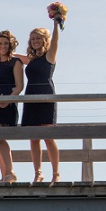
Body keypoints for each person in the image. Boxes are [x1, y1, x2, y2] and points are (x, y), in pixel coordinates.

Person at [20, 23, 62, 183]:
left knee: (48, 136)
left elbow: (56, 41)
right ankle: (38, 172)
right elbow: (13, 56)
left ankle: (56, 173)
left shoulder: (50, 55)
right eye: (32, 39)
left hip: (45, 94)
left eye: (38, 38)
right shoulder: (30, 59)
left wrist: (56, 23)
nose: (35, 41)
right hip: (30, 94)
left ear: (44, 40)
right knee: (33, 137)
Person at [0, 30, 25, 183]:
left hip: (6, 100)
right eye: (0, 43)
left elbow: (20, 86)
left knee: (0, 136)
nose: (3, 46)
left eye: (6, 43)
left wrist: (8, 100)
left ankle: (10, 172)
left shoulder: (15, 62)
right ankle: (4, 174)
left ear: (10, 45)